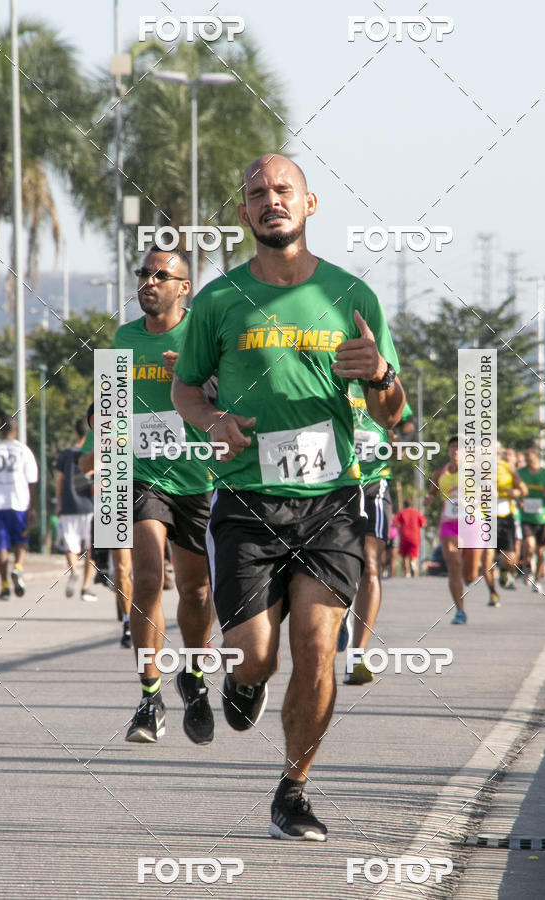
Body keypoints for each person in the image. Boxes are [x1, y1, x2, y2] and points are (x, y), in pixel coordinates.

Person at [172, 154, 405, 841]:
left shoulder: (351, 295)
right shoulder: (217, 300)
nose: (270, 200)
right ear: (244, 214)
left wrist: (382, 374)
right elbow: (188, 386)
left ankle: (293, 789)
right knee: (255, 655)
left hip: (331, 499)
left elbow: (392, 413)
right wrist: (213, 422)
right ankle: (245, 682)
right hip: (246, 501)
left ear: (309, 204)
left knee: (316, 645)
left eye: (282, 190)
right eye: (256, 194)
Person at [114, 245, 216, 745]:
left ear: (184, 288)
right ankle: (149, 696)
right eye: (143, 274)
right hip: (143, 476)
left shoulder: (203, 333)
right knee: (148, 575)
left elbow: (237, 394)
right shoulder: (124, 338)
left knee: (197, 591)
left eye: (161, 275)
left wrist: (199, 376)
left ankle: (194, 677)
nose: (149, 282)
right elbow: (108, 406)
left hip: (199, 478)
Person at [336, 386, 402, 684]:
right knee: (336, 566)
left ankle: (357, 656)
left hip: (375, 482)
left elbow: (402, 422)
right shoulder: (323, 372)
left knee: (370, 566)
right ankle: (338, 616)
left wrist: (398, 441)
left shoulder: (381, 378)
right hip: (333, 485)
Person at [81, 402, 133, 647]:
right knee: (122, 569)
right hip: (114, 502)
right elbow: (83, 466)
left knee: (147, 574)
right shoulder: (98, 433)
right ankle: (128, 621)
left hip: (148, 498)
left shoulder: (139, 423)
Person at [425, 436, 480, 624]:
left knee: (471, 574)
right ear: (448, 451)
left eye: (460, 448)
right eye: (453, 447)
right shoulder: (440, 473)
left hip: (472, 522)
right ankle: (460, 611)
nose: (455, 451)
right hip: (449, 523)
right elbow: (431, 493)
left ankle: (468, 578)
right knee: (454, 564)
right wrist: (429, 499)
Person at [0, 418, 38, 601]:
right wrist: (33, 507)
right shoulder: (23, 450)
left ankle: (4, 586)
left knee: (0, 546)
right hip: (19, 503)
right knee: (21, 541)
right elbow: (32, 481)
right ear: (16, 430)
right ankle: (18, 568)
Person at [55, 418, 97, 602]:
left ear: (74, 432)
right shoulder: (92, 453)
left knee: (70, 545)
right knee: (91, 548)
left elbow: (60, 480)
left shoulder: (65, 454)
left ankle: (74, 571)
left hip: (69, 504)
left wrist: (59, 504)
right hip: (90, 505)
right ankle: (86, 588)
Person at [481, 442, 527, 606]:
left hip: (505, 516)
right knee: (486, 557)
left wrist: (514, 492)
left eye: (497, 451)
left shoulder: (508, 468)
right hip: (486, 517)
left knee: (510, 561)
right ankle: (492, 593)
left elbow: (523, 490)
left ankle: (504, 571)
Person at [518, 445, 545, 593]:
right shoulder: (520, 473)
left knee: (541, 551)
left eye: (529, 457)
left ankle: (537, 580)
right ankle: (527, 568)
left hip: (542, 517)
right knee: (529, 544)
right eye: (526, 457)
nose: (526, 459)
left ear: (537, 457)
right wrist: (518, 499)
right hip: (526, 516)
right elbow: (515, 490)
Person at [394, 499, 427, 578]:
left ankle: (407, 573)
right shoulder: (417, 512)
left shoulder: (401, 513)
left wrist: (401, 529)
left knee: (405, 555)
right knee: (414, 554)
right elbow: (423, 524)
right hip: (415, 536)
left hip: (404, 536)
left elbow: (396, 523)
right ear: (412, 505)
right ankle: (413, 565)